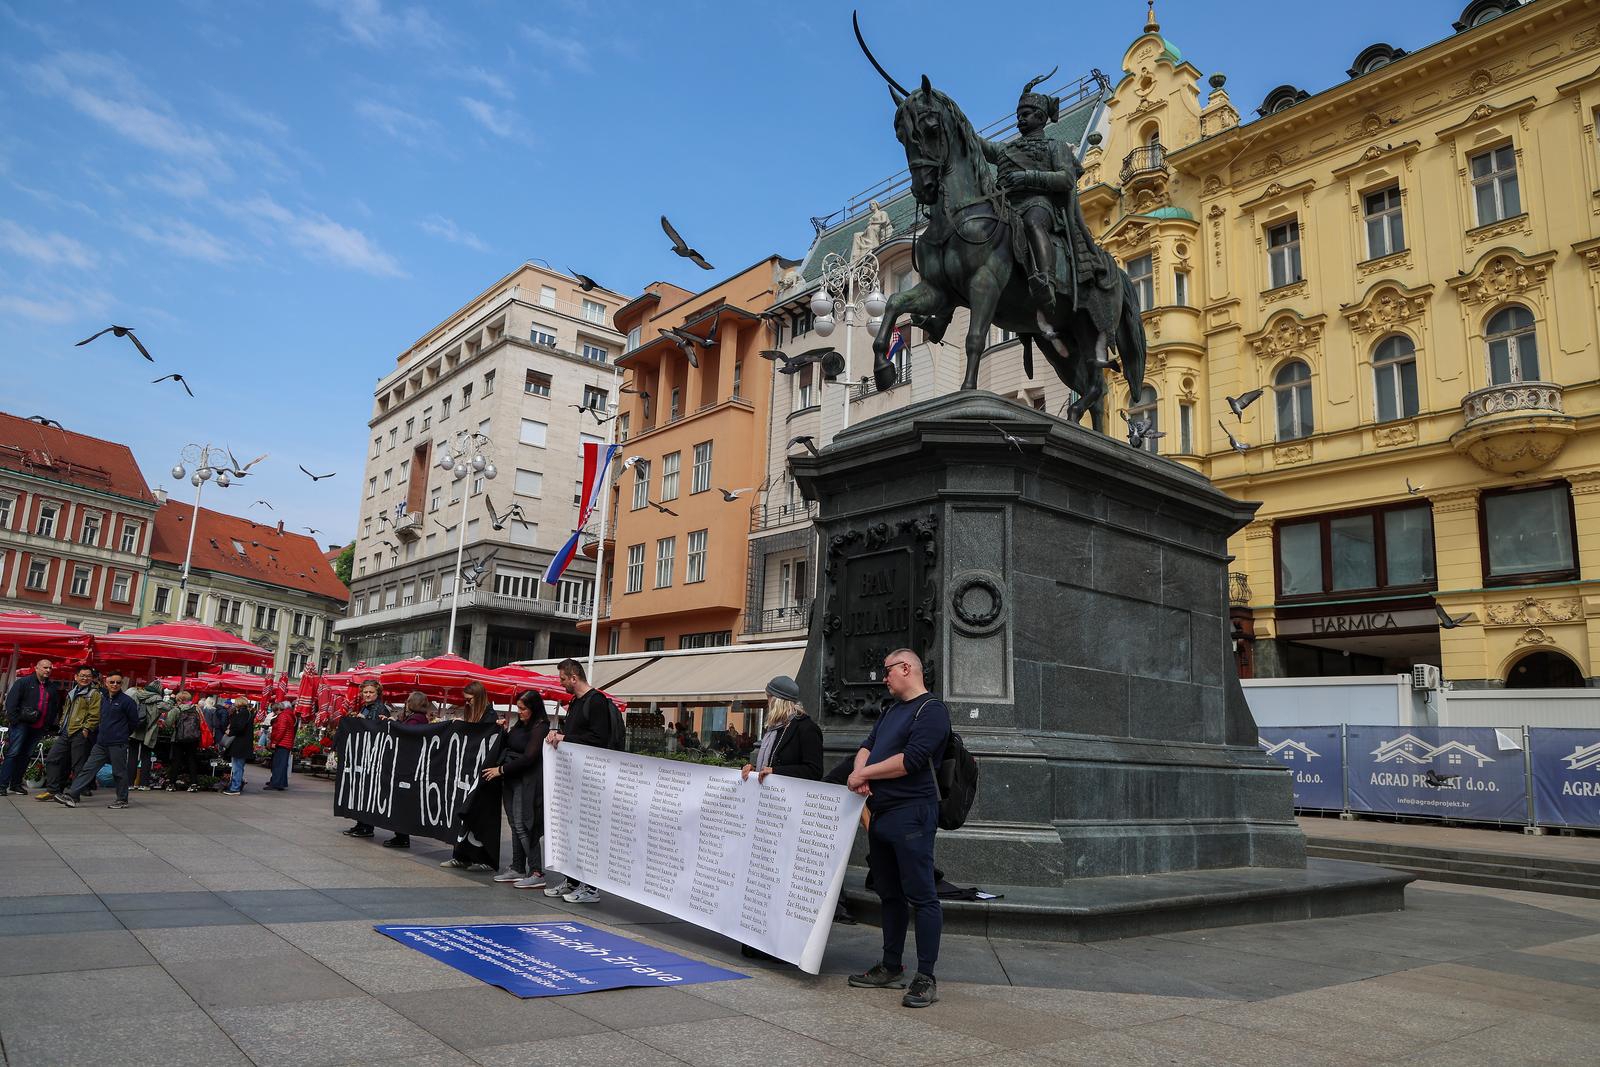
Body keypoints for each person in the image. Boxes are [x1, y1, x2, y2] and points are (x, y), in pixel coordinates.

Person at [846, 648, 950, 1009]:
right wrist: (860, 773)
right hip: (882, 815)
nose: (883, 677)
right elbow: (866, 746)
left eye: (887, 670)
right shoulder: (890, 711)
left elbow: (911, 761)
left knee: (922, 896)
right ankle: (891, 966)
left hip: (913, 814)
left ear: (906, 668)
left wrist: (864, 774)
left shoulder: (932, 710)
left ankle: (926, 977)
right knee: (889, 894)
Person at [738, 675, 825, 960]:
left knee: (778, 881)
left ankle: (777, 942)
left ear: (778, 700)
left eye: (768, 698)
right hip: (765, 816)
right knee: (760, 879)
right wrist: (753, 768)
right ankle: (755, 936)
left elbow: (813, 771)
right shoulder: (774, 731)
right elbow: (769, 764)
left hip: (788, 817)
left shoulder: (806, 729)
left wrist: (778, 773)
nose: (766, 703)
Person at [543, 658, 618, 903]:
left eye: (563, 679)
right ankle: (573, 879)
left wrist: (565, 738)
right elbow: (575, 735)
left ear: (574, 678)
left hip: (593, 780)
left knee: (589, 834)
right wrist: (559, 735)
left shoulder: (595, 702)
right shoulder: (576, 702)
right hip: (575, 779)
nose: (561, 683)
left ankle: (592, 887)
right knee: (572, 831)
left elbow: (599, 740)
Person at [486, 689, 550, 888]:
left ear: (533, 708)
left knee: (524, 825)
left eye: (523, 709)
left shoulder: (540, 727)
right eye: (518, 708)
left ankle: (536, 871)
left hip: (525, 780)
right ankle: (517, 866)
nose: (519, 712)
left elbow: (529, 757)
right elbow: (510, 744)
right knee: (515, 824)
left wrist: (501, 770)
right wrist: (502, 730)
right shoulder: (521, 725)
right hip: (512, 778)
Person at [55, 671, 143, 809]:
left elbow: (134, 722)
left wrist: (122, 734)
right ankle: (72, 795)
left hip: (118, 743)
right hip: (101, 743)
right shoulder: (103, 699)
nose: (115, 685)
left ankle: (122, 799)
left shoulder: (127, 702)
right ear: (106, 683)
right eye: (112, 682)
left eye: (118, 682)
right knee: (88, 769)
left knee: (119, 772)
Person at [442, 681, 499, 871]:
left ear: (479, 697)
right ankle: (460, 855)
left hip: (481, 772)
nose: (467, 703)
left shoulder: (489, 715)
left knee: (477, 815)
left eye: (470, 699)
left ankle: (482, 858)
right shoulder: (474, 712)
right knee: (462, 815)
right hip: (468, 771)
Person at [382, 691, 433, 849]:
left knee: (401, 800)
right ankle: (400, 835)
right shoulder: (417, 718)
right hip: (408, 763)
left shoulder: (416, 719)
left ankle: (402, 836)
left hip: (407, 764)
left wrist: (395, 724)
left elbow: (406, 734)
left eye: (408, 700)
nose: (406, 702)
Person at [39, 667, 98, 800]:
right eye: (82, 675)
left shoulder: (94, 694)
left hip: (79, 732)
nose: (85, 678)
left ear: (92, 678)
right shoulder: (72, 692)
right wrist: (61, 725)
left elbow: (95, 714)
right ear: (76, 677)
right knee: (52, 758)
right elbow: (66, 711)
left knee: (78, 765)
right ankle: (53, 790)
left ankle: (74, 795)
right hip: (66, 731)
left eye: (88, 676)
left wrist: (86, 729)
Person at [3, 658, 60, 795]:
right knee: (13, 754)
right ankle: (2, 785)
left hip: (38, 727)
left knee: (26, 755)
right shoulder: (23, 682)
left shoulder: (51, 687)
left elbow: (54, 706)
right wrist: (15, 721)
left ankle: (16, 784)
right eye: (45, 667)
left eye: (50, 668)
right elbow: (11, 703)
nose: (48, 670)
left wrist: (48, 725)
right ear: (36, 668)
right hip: (21, 725)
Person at [343, 680, 390, 837]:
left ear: (377, 694)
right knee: (360, 791)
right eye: (365, 692)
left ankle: (367, 827)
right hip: (363, 754)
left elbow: (377, 730)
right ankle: (360, 823)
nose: (368, 695)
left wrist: (363, 721)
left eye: (371, 692)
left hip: (373, 756)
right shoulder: (366, 706)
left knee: (368, 791)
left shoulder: (380, 708)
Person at [130, 682, 172, 791]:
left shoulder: (137, 695)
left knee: (132, 756)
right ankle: (144, 784)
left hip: (136, 728)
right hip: (149, 730)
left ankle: (130, 783)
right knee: (146, 756)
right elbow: (167, 708)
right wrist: (171, 699)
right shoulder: (158, 699)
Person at [166, 690, 203, 791]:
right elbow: (202, 723)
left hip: (179, 738)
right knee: (192, 760)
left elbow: (168, 723)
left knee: (176, 761)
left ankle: (172, 784)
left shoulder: (176, 709)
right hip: (193, 738)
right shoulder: (197, 709)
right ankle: (194, 784)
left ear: (179, 700)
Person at [221, 698, 254, 796]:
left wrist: (230, 731)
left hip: (240, 743)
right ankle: (235, 786)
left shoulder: (243, 713)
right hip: (243, 743)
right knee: (238, 766)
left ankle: (235, 788)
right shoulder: (246, 712)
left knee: (237, 767)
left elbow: (239, 727)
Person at [264, 701, 297, 791]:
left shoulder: (283, 716)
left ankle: (276, 783)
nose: (274, 713)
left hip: (282, 743)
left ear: (278, 709)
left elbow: (281, 730)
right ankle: (280, 783)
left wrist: (275, 741)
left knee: (278, 764)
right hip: (286, 743)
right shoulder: (288, 715)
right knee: (282, 765)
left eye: (275, 711)